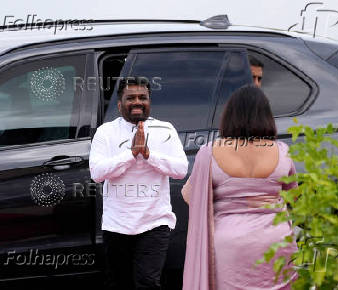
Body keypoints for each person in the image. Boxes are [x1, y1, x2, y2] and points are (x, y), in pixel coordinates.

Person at [181, 85, 298, 290]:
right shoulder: (282, 151)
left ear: (230, 116)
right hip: (276, 242)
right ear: (266, 116)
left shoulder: (210, 152)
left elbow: (190, 196)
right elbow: (294, 198)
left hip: (230, 245)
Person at [89, 76, 188, 290]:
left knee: (147, 282)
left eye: (143, 97)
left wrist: (149, 155)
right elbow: (96, 173)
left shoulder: (165, 130)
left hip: (154, 223)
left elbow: (181, 170)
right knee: (119, 283)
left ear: (149, 101)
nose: (137, 102)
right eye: (130, 97)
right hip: (117, 225)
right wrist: (131, 154)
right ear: (119, 104)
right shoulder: (105, 132)